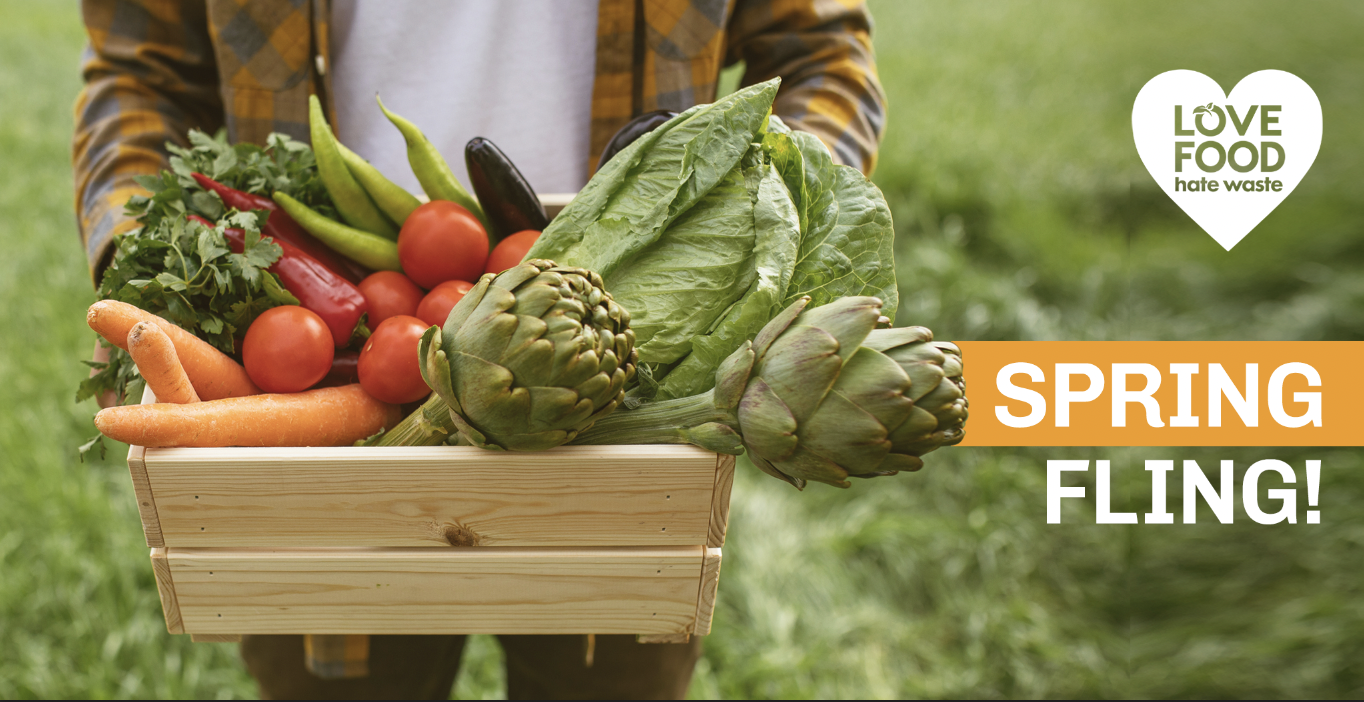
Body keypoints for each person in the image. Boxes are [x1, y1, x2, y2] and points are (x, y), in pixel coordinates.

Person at [73, 1, 885, 698]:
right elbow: (139, 79)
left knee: (610, 675)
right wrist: (144, 269)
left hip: (630, 390)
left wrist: (760, 226)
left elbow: (822, 56)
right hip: (328, 411)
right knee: (339, 679)